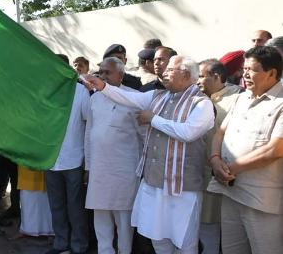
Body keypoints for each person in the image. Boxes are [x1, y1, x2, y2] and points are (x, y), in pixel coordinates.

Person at [84, 55, 215, 253]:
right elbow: (128, 98)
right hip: (155, 184)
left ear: (186, 74)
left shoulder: (201, 104)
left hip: (182, 187)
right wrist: (102, 86)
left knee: (184, 241)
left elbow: (188, 132)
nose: (164, 73)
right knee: (158, 238)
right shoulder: (158, 96)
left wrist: (153, 119)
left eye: (170, 70)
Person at [208, 46, 283, 254]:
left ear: (272, 73)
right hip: (230, 192)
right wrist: (215, 159)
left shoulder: (281, 103)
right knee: (232, 250)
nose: (245, 74)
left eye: (252, 69)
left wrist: (229, 169)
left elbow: (275, 149)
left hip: (260, 200)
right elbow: (220, 133)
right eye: (245, 68)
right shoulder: (242, 97)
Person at [85, 57, 144, 254]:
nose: (102, 77)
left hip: (125, 170)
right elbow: (89, 135)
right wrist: (88, 167)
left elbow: (144, 137)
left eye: (107, 73)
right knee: (100, 217)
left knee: (124, 220)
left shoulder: (134, 98)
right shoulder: (93, 98)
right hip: (99, 169)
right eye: (100, 72)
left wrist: (143, 169)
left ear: (121, 75)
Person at [196, 59, 242, 254]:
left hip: (225, 174)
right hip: (197, 173)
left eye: (201, 76)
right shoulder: (196, 98)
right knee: (203, 224)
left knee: (224, 226)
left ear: (216, 77)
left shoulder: (237, 99)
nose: (197, 81)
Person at [45, 81, 90, 254]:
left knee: (75, 206)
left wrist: (88, 160)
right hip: (51, 159)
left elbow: (88, 123)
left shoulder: (80, 91)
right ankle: (61, 243)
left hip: (74, 159)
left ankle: (79, 246)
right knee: (56, 205)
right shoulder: (47, 90)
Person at [18, 165, 54, 237]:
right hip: (27, 164)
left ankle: (49, 230)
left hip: (45, 164)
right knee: (27, 197)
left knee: (46, 198)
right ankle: (26, 229)